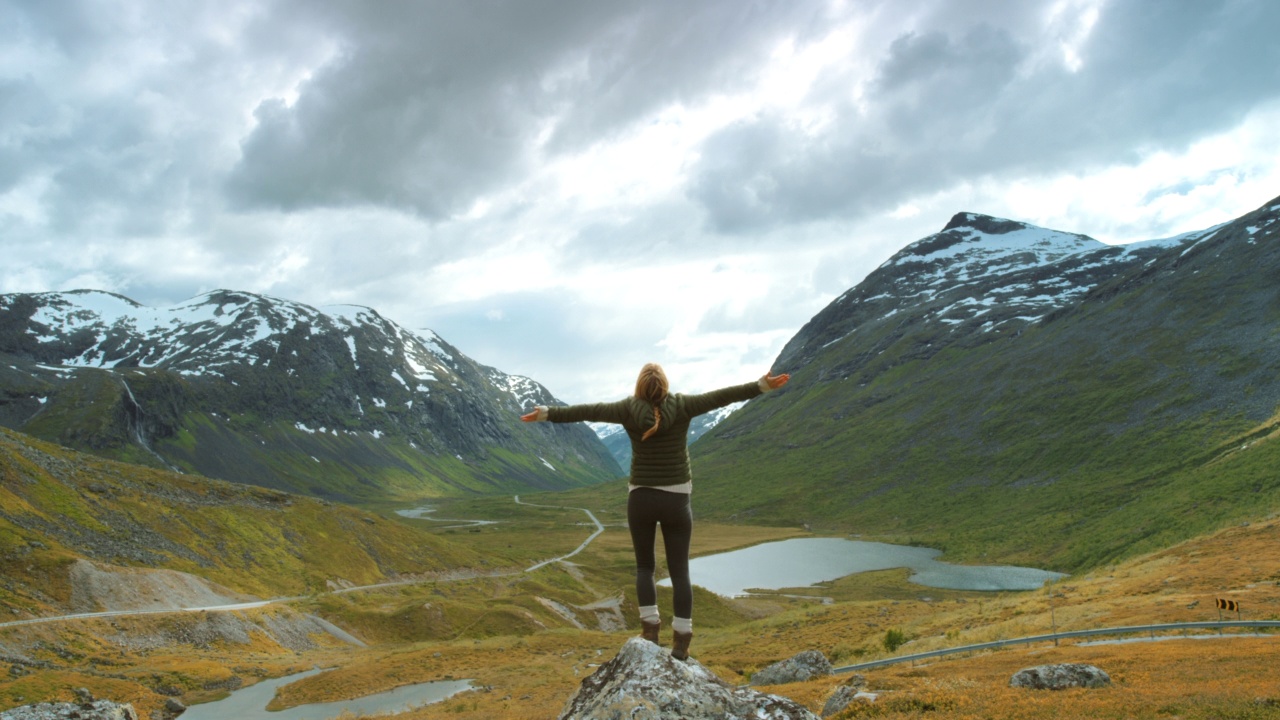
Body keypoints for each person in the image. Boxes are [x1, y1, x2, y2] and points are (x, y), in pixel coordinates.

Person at [521, 363, 790, 660]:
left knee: (645, 567)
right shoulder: (685, 405)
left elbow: (587, 411)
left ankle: (650, 631)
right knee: (679, 572)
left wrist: (546, 413)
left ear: (639, 387)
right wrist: (761, 386)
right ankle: (681, 642)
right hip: (677, 500)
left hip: (641, 498)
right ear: (665, 384)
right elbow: (722, 396)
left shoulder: (627, 409)